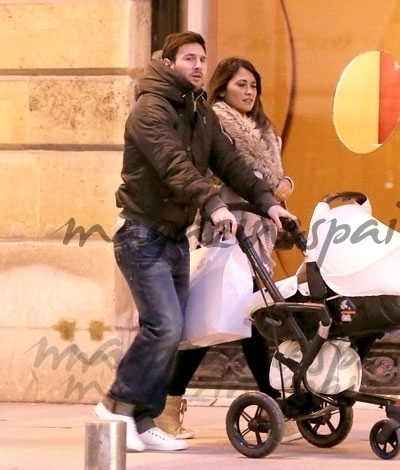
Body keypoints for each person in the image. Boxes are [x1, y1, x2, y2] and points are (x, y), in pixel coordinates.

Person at [93, 32, 296, 453]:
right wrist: (213, 203)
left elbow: (231, 163)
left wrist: (267, 203)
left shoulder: (200, 112)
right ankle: (116, 406)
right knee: (162, 325)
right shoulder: (150, 110)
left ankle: (145, 418)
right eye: (189, 58)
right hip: (141, 234)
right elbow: (175, 166)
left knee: (175, 329)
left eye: (203, 58)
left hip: (172, 239)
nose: (199, 65)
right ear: (168, 63)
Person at [154, 57, 301, 443]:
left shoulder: (264, 129)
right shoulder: (215, 121)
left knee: (232, 318)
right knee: (234, 319)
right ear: (223, 88)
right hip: (226, 231)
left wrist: (277, 188)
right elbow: (224, 173)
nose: (249, 91)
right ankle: (270, 404)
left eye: (254, 84)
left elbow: (268, 177)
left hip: (254, 233)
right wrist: (271, 188)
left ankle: (171, 403)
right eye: (241, 84)